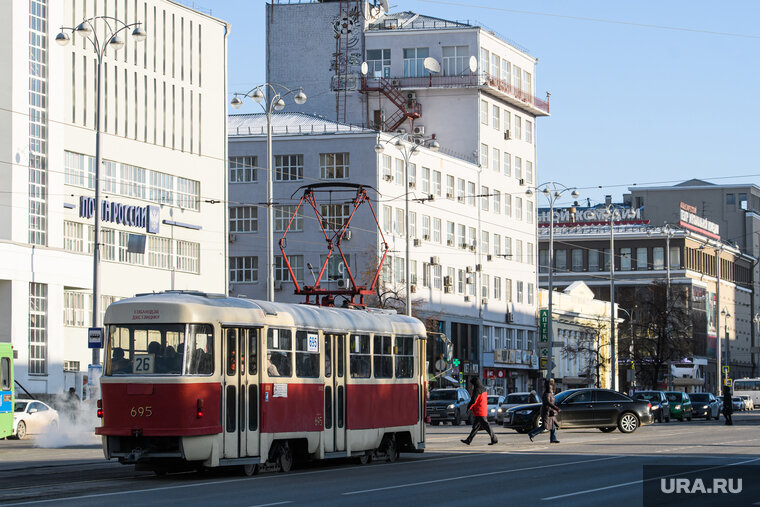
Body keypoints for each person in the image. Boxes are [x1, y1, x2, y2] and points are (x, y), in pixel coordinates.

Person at [461, 377, 498, 446]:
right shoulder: (483, 389)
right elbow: (485, 401)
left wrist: (469, 408)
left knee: (486, 426)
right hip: (482, 410)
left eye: (472, 384)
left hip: (479, 411)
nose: (472, 386)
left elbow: (474, 401)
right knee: (475, 427)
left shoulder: (477, 390)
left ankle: (494, 439)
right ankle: (468, 440)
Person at [529, 378, 561, 443]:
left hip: (550, 412)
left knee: (553, 426)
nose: (552, 389)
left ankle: (553, 439)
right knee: (544, 426)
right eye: (551, 388)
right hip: (546, 412)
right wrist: (556, 408)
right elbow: (548, 403)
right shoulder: (547, 394)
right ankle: (532, 433)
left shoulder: (550, 394)